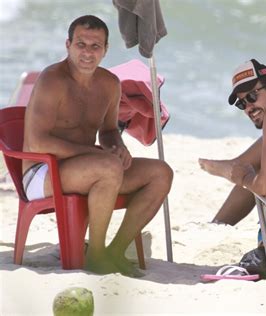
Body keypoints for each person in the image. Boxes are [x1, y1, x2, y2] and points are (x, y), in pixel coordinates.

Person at [22, 15, 173, 276]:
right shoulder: (52, 80)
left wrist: (118, 147)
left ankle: (115, 250)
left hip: (90, 168)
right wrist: (95, 153)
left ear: (105, 49)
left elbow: (108, 130)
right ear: (68, 45)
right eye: (81, 44)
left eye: (95, 46)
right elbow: (37, 142)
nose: (88, 53)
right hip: (41, 172)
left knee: (160, 173)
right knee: (107, 166)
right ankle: (97, 254)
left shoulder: (109, 84)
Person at [198, 59, 266, 225]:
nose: (248, 108)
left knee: (252, 171)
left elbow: (265, 188)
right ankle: (230, 167)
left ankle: (229, 168)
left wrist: (244, 178)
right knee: (259, 163)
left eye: (252, 96)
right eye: (242, 104)